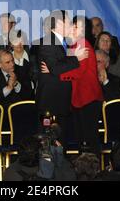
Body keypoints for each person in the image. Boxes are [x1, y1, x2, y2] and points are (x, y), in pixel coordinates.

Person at [41, 16, 103, 154]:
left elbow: (78, 72)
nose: (73, 29)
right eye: (73, 26)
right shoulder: (73, 46)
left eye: (77, 27)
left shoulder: (83, 44)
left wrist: (55, 73)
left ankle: (94, 170)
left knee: (89, 137)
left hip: (88, 98)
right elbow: (65, 59)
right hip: (79, 99)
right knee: (82, 137)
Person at [35, 10, 88, 147]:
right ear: (59, 23)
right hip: (51, 101)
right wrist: (76, 58)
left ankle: (59, 167)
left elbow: (60, 61)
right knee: (48, 141)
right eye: (68, 21)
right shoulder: (48, 41)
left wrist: (71, 57)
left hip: (61, 100)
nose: (71, 25)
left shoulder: (61, 42)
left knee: (60, 140)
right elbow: (56, 68)